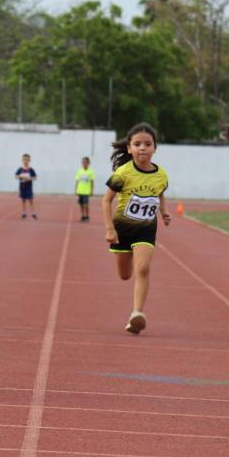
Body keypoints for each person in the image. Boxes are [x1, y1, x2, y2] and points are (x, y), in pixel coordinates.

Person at [102, 122, 171, 335]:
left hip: (146, 229)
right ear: (129, 148)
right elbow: (106, 201)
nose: (143, 148)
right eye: (137, 144)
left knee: (143, 268)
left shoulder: (161, 175)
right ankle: (128, 255)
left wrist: (164, 211)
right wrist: (109, 229)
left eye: (148, 144)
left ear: (155, 148)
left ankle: (136, 314)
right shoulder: (122, 173)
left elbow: (159, 193)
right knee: (125, 275)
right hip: (123, 228)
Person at [15, 153, 37, 219]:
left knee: (31, 200)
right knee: (23, 200)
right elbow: (16, 176)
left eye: (27, 160)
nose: (26, 161)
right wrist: (21, 176)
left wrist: (29, 178)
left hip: (29, 187)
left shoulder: (31, 169)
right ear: (22, 160)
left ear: (29, 160)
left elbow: (35, 177)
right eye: (24, 159)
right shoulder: (20, 169)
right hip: (22, 187)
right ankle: (24, 213)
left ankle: (33, 213)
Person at [75, 156, 95, 222]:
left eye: (85, 162)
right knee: (81, 204)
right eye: (83, 162)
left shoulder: (90, 172)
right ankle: (83, 216)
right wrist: (76, 190)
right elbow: (77, 181)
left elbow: (92, 181)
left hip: (86, 191)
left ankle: (87, 216)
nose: (84, 164)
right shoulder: (79, 171)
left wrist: (92, 190)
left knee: (86, 205)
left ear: (88, 163)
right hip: (80, 190)